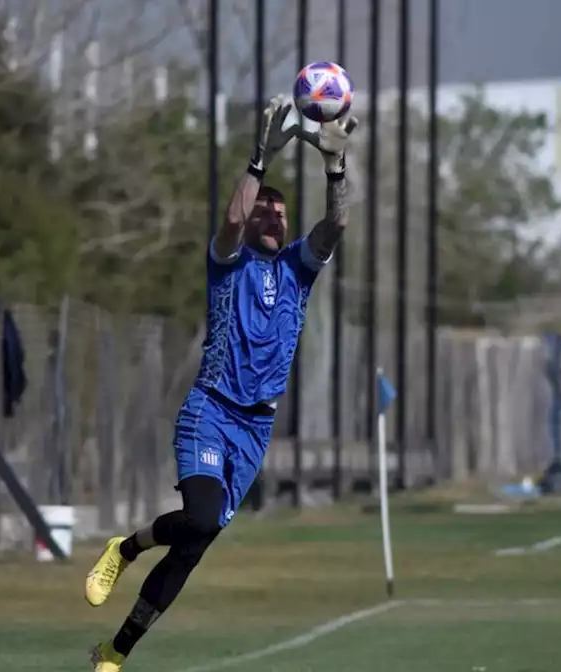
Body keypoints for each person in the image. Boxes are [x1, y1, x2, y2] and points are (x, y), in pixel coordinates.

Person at [84, 95, 358, 671]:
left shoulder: (298, 271)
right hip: (211, 409)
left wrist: (336, 167)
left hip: (255, 427)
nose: (274, 217)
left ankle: (114, 652)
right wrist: (259, 161)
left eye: (281, 213)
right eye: (267, 210)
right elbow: (232, 218)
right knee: (202, 518)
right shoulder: (227, 263)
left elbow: (336, 223)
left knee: (193, 546)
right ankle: (126, 546)